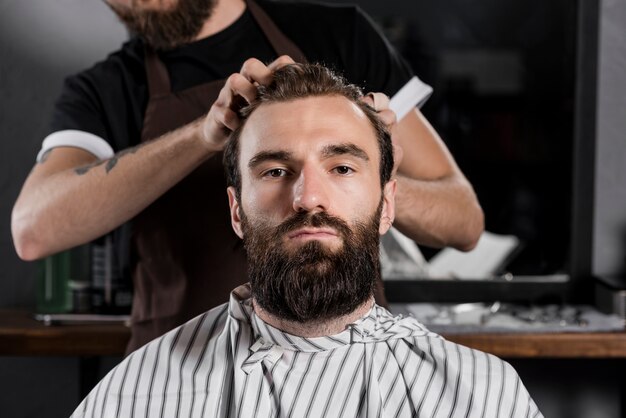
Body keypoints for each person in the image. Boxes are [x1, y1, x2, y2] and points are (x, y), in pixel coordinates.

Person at [69, 63, 539, 418]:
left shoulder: (478, 395)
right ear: (237, 211)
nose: (308, 196)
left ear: (387, 205)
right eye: (275, 171)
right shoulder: (140, 394)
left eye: (342, 168)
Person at [11, 0, 484, 353]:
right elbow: (33, 228)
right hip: (185, 367)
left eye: (336, 167)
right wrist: (202, 135)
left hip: (345, 362)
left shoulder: (336, 34)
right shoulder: (107, 89)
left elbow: (463, 221)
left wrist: (362, 167)